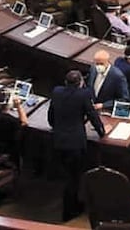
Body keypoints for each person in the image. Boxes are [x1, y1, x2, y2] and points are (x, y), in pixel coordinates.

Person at [49, 69, 105, 220]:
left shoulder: (57, 91)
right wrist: (101, 132)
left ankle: (71, 205)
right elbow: (92, 114)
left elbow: (51, 116)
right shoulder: (84, 94)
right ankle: (70, 211)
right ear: (81, 82)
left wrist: (56, 126)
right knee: (74, 178)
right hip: (75, 143)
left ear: (65, 82)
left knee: (67, 175)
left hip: (59, 140)